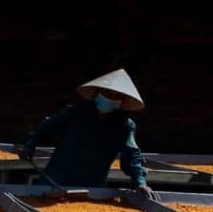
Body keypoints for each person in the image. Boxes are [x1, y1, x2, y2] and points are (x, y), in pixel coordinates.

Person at [21, 68, 158, 200]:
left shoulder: (124, 126)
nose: (111, 97)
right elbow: (46, 127)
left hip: (92, 187)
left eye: (117, 96)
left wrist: (140, 183)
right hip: (55, 180)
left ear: (122, 101)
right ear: (98, 93)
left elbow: (132, 156)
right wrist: (31, 144)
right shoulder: (75, 113)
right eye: (107, 93)